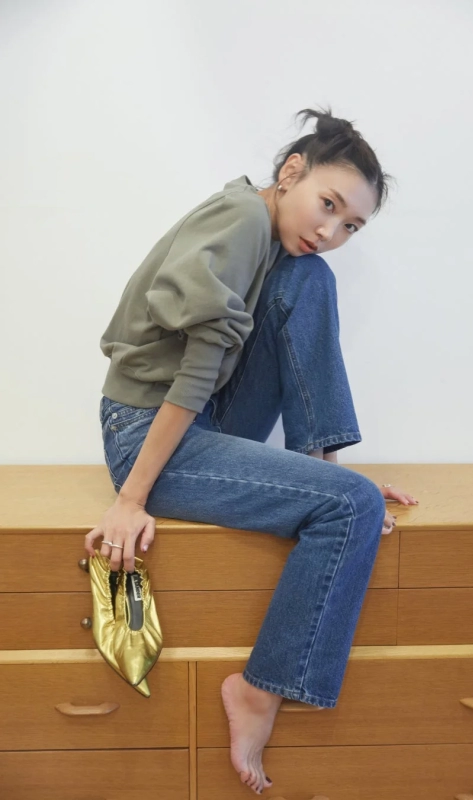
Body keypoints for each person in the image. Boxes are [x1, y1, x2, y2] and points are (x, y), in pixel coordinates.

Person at [86, 105, 419, 795]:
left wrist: (317, 473)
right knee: (351, 507)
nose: (330, 231)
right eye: (326, 205)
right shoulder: (240, 219)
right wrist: (130, 498)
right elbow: (199, 367)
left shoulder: (278, 244)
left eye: (349, 225)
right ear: (289, 172)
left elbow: (259, 355)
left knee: (309, 282)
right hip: (146, 431)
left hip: (202, 416)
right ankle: (259, 689)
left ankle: (328, 472)